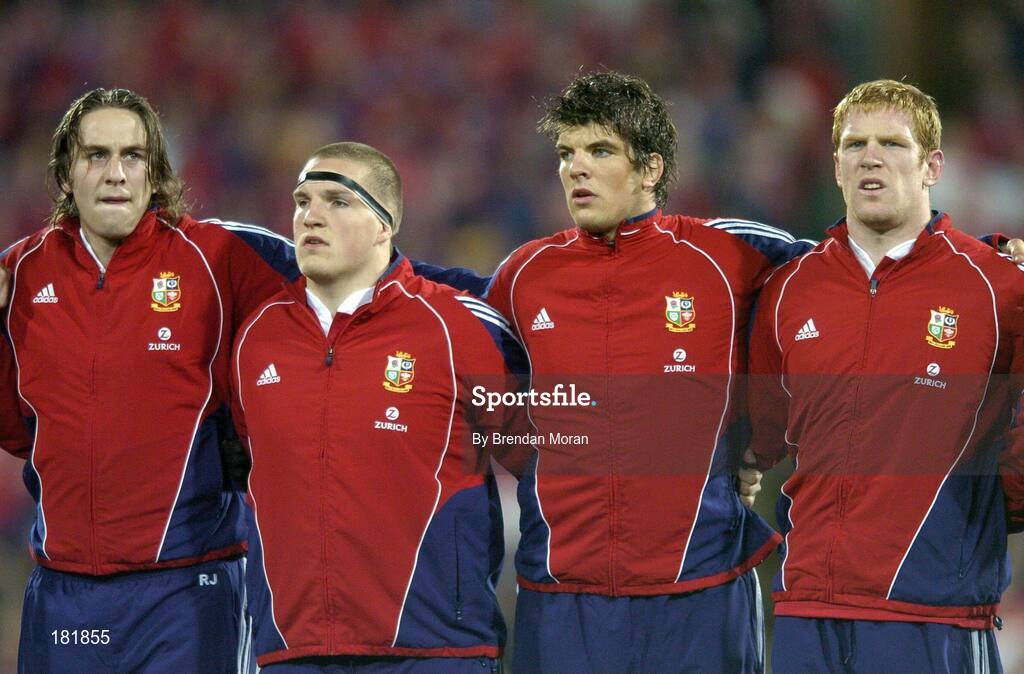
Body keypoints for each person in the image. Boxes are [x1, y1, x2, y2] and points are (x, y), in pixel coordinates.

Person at [0, 88, 297, 673]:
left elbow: (363, 276)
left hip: (188, 593)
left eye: (133, 156)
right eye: (96, 155)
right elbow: (16, 430)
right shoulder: (21, 274)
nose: (116, 173)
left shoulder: (221, 256)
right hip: (64, 595)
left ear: (156, 172)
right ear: (65, 173)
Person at [748, 79, 1024, 673]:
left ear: (932, 166)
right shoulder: (789, 289)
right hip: (806, 613)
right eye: (855, 145)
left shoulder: (999, 288)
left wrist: (971, 528)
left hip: (935, 616)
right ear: (836, 167)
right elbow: (759, 435)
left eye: (893, 144)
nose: (870, 157)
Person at [231, 141, 526, 672]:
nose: (311, 215)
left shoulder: (460, 327)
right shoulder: (254, 337)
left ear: (384, 225)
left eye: (338, 201)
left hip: (435, 652)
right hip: (292, 653)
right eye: (302, 201)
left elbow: (553, 455)